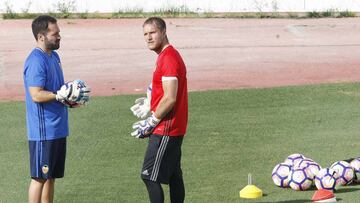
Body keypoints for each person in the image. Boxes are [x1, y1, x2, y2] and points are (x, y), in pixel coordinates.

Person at [131, 17, 188, 203]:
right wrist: (150, 101)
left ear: (163, 32)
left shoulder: (169, 58)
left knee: (148, 176)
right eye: (145, 34)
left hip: (166, 128)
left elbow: (170, 98)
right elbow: (164, 90)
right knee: (173, 176)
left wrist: (151, 121)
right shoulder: (166, 56)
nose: (148, 37)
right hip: (173, 127)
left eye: (152, 32)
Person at [23, 15, 79, 203]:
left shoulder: (54, 56)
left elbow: (58, 89)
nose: (59, 37)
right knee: (39, 177)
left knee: (50, 176)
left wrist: (69, 98)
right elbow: (36, 94)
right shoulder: (36, 61)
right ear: (41, 36)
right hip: (43, 131)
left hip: (57, 128)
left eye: (59, 33)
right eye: (55, 34)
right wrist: (58, 96)